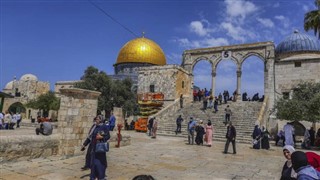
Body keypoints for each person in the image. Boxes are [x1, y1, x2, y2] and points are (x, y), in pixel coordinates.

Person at [89, 116, 110, 180]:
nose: (96, 120)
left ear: (101, 120)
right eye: (95, 119)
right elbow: (89, 137)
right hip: (93, 147)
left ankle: (101, 177)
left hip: (100, 148)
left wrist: (102, 137)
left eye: (97, 119)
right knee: (93, 164)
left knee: (99, 164)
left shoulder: (104, 127)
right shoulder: (94, 126)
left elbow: (108, 136)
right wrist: (84, 145)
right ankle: (93, 176)